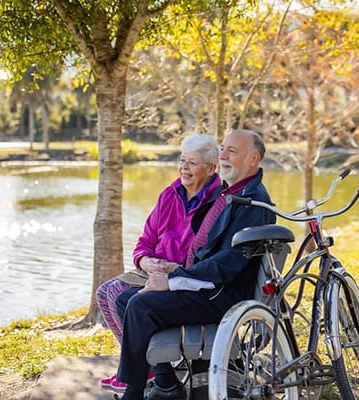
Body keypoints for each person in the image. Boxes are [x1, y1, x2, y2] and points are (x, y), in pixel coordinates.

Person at [113, 129, 276, 400]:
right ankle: (166, 382)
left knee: (140, 305)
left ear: (253, 159)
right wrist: (173, 271)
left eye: (231, 152)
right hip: (211, 287)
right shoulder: (234, 193)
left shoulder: (252, 202)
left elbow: (227, 266)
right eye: (223, 148)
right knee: (124, 299)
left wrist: (174, 279)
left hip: (223, 296)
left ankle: (134, 393)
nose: (223, 155)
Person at [97, 133, 221, 392]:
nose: (184, 168)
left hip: (180, 277)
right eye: (182, 160)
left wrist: (172, 270)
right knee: (104, 293)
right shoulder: (169, 195)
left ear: (211, 168)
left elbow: (203, 255)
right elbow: (145, 241)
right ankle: (148, 366)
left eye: (192, 163)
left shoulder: (217, 202)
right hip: (153, 270)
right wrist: (143, 261)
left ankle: (153, 372)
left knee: (125, 298)